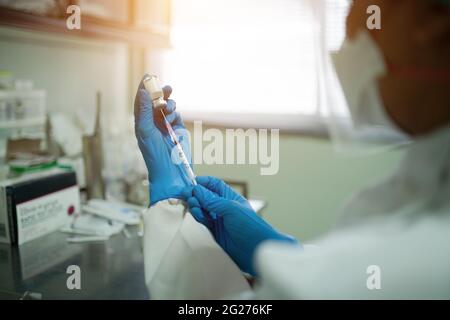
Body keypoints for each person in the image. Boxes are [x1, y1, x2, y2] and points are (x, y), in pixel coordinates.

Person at [135, 0, 450, 299]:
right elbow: (333, 274)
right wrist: (280, 250)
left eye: (362, 5)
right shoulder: (426, 185)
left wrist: (169, 205)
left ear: (431, 21)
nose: (353, 27)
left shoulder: (425, 257)